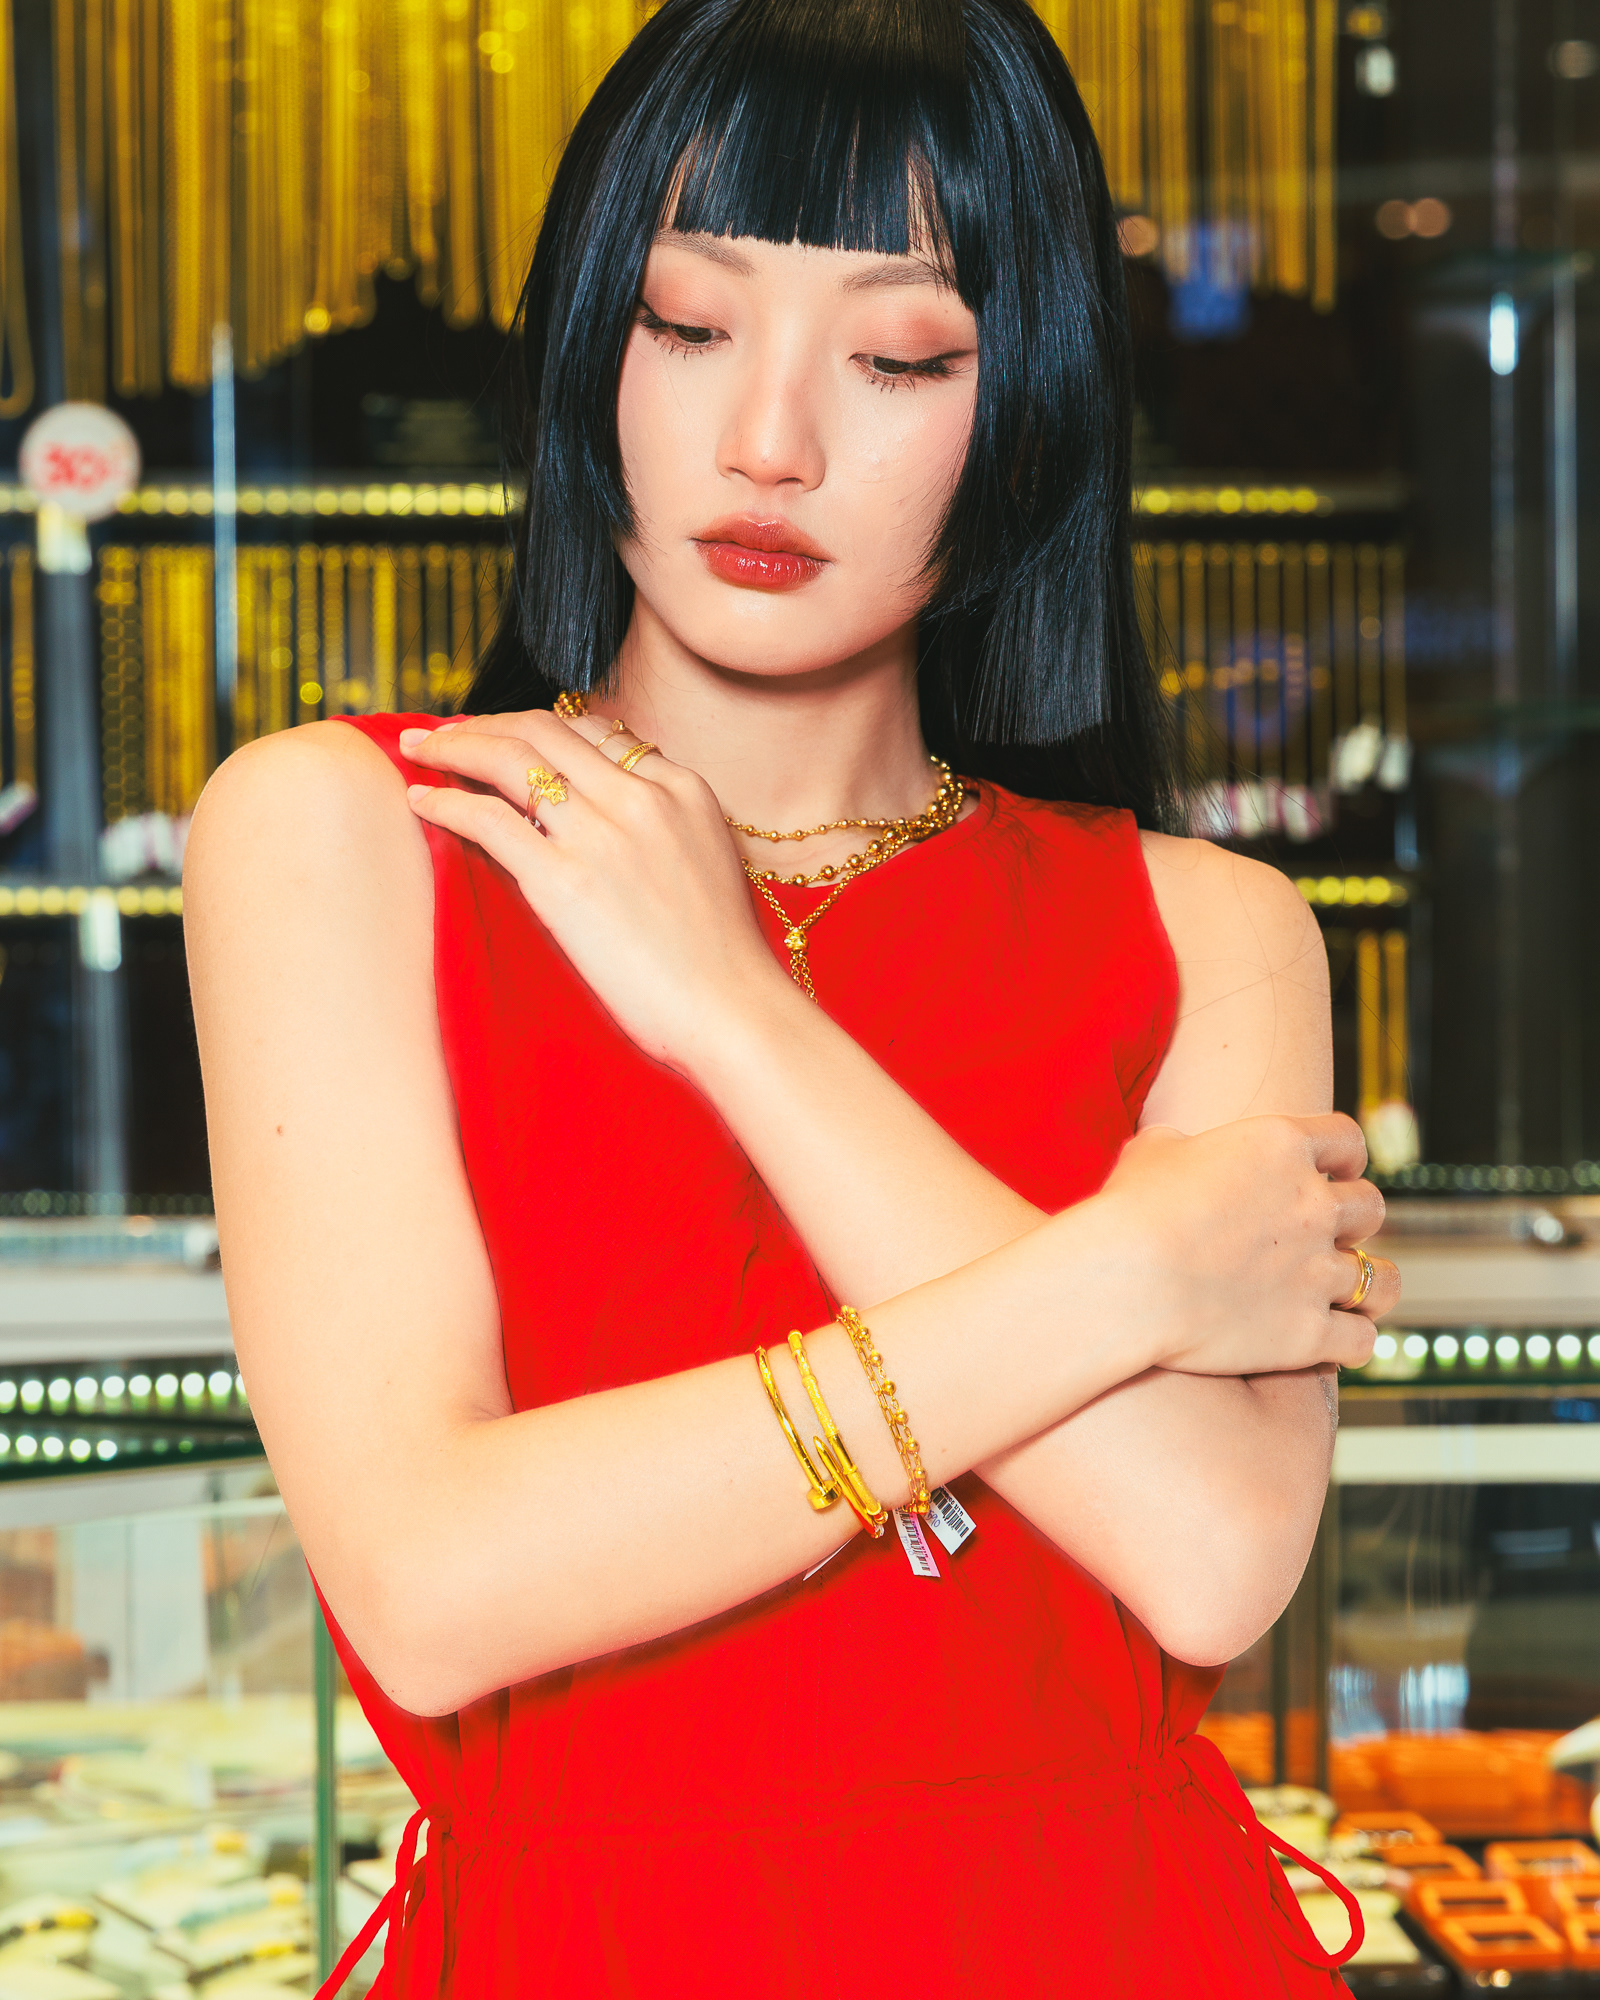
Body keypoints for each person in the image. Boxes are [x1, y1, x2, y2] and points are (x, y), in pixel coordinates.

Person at [184, 0, 1399, 1992]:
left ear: (1026, 407)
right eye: (688, 323)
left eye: (898, 356)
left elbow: (1206, 1563)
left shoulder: (1213, 926)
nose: (770, 441)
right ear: (592, 345)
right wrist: (1119, 1278)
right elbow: (433, 1582)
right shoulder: (348, 833)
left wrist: (737, 1014)